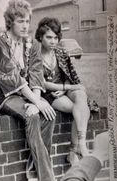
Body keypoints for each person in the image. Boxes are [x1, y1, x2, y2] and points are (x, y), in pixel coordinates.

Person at [0, 1, 58, 181]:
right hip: (6, 96)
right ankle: (48, 180)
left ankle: (33, 176)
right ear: (10, 22)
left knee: (48, 115)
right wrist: (36, 102)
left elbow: (36, 74)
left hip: (27, 95)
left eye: (27, 21)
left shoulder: (33, 44)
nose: (25, 26)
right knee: (33, 116)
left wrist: (36, 102)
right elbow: (13, 78)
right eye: (20, 21)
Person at [33, 17, 90, 163]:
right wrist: (67, 87)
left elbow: (68, 75)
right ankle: (73, 150)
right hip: (48, 93)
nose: (53, 41)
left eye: (56, 38)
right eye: (49, 37)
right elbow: (41, 83)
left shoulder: (60, 52)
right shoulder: (34, 55)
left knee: (81, 96)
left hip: (63, 89)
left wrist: (65, 89)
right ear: (40, 36)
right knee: (77, 108)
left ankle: (81, 145)